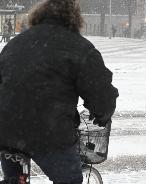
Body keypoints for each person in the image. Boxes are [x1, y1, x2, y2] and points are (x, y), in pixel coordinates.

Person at [0, 0, 118, 183]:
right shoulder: (79, 48)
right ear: (74, 18)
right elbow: (100, 91)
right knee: (69, 179)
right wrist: (102, 114)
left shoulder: (15, 44)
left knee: (15, 179)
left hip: (6, 130)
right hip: (48, 132)